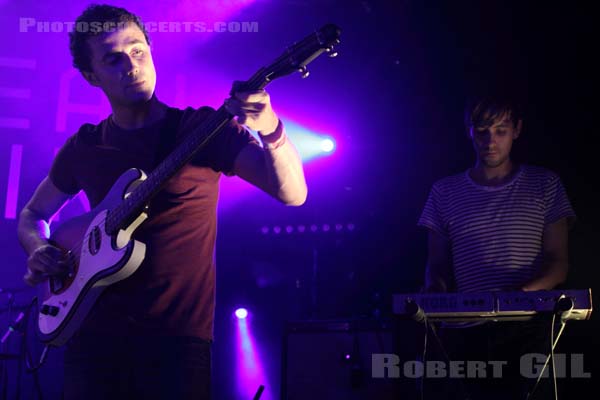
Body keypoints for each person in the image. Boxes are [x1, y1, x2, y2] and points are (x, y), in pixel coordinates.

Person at [17, 4, 307, 400]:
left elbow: (292, 194)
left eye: (138, 51)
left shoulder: (202, 128)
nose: (131, 66)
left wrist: (271, 128)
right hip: (91, 341)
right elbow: (33, 214)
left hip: (176, 343)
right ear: (90, 76)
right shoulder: (85, 145)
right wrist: (38, 248)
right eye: (113, 59)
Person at [417, 93, 576, 399]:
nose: (490, 141)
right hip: (466, 331)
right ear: (469, 131)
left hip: (528, 329)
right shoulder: (444, 191)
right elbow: (437, 263)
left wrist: (518, 297)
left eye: (500, 131)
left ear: (517, 129)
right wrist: (435, 291)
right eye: (482, 131)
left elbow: (559, 263)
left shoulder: (545, 183)